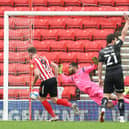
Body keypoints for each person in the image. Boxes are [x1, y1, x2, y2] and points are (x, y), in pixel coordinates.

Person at [27, 47, 79, 121]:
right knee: (54, 99)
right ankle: (71, 105)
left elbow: (37, 74)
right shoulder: (44, 58)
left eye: (28, 54)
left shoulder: (33, 61)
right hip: (53, 79)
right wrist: (56, 78)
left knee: (42, 98)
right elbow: (55, 66)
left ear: (30, 53)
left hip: (45, 81)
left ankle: (54, 116)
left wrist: (33, 83)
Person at [98, 14, 129, 123]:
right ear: (113, 40)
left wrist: (100, 78)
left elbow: (100, 66)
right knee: (120, 95)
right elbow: (124, 33)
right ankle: (121, 118)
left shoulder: (102, 51)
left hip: (109, 72)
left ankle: (102, 109)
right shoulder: (116, 46)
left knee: (106, 94)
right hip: (118, 71)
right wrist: (127, 22)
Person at [60, 62, 124, 108]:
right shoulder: (73, 77)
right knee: (107, 105)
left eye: (69, 67)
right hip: (90, 94)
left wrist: (96, 63)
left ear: (74, 67)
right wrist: (60, 73)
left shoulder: (83, 70)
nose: (69, 69)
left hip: (94, 88)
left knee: (109, 97)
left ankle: (121, 97)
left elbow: (93, 67)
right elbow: (66, 79)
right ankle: (117, 99)